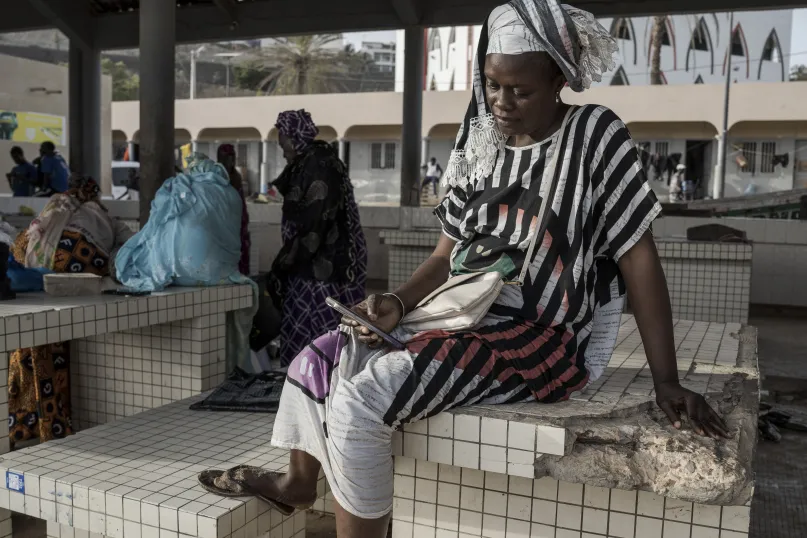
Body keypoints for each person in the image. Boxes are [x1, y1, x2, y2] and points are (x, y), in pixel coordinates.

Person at [201, 3, 729, 536]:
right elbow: (442, 256)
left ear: (560, 77)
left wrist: (667, 380)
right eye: (493, 85)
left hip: (538, 336)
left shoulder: (595, 135)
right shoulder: (479, 135)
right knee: (317, 357)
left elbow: (638, 255)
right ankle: (297, 483)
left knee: (361, 400)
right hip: (455, 314)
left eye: (520, 91)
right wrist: (398, 304)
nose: (501, 102)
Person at [7, 175, 134, 445]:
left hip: (45, 274)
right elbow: (127, 250)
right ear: (95, 195)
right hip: (83, 264)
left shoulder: (55, 204)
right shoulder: (102, 214)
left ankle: (26, 421)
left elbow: (23, 246)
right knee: (54, 343)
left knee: (34, 344)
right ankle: (52, 421)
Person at [267, 109, 367, 367]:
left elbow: (315, 223)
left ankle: (317, 391)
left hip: (324, 272)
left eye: (283, 144)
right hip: (314, 268)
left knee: (321, 342)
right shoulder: (314, 161)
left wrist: (284, 262)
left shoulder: (318, 165)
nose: (283, 151)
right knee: (312, 340)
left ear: (293, 138)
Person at [217, 144, 251, 275]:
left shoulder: (236, 177)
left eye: (232, 158)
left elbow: (241, 201)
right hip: (222, 222)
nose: (229, 162)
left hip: (237, 222)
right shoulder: (216, 176)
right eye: (225, 158)